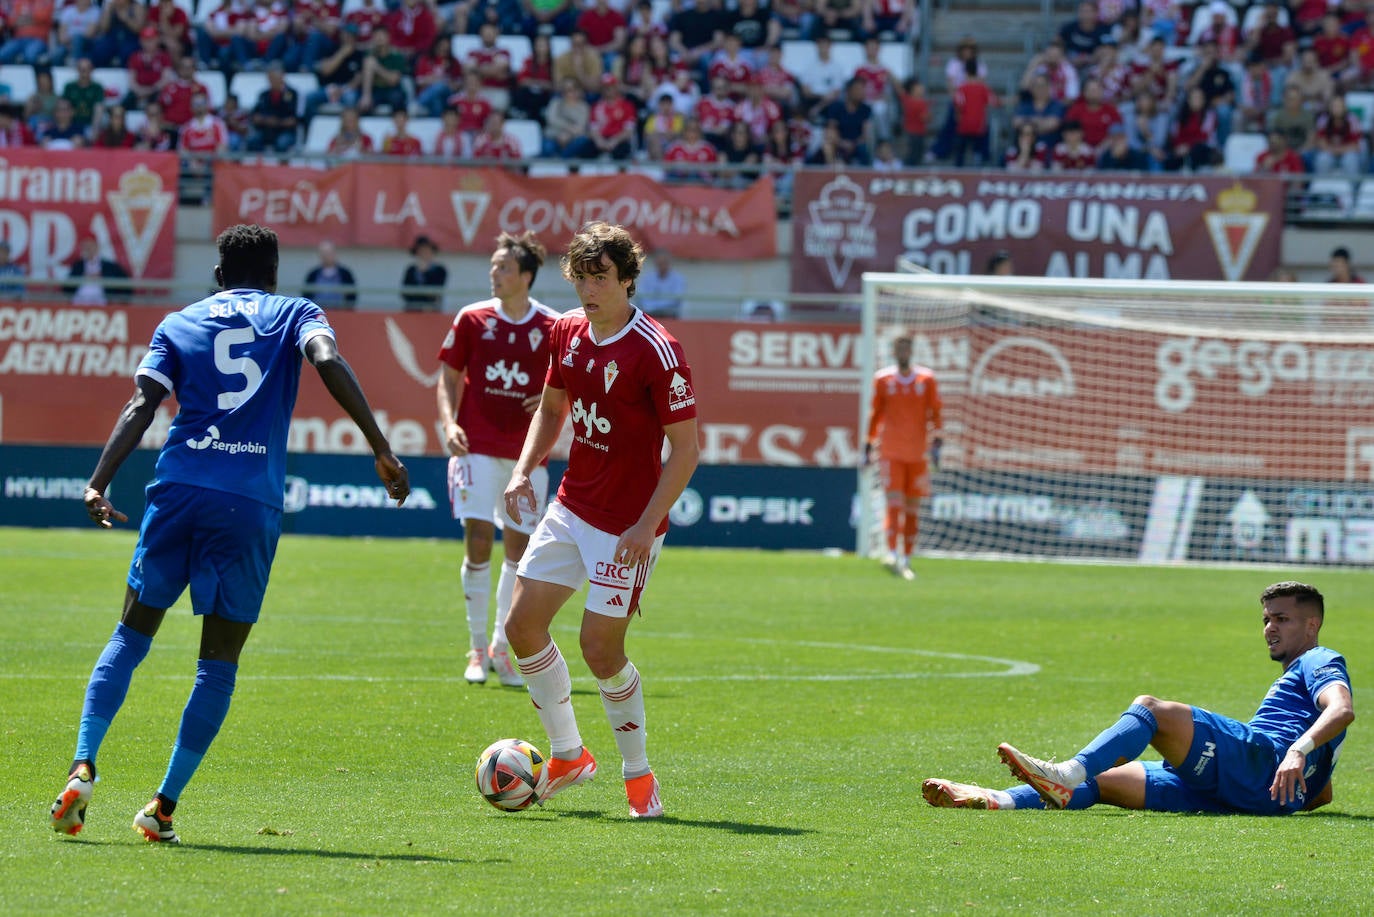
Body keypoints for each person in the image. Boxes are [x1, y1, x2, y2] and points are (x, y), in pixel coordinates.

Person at [47, 223, 410, 843]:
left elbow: (141, 405)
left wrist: (97, 482)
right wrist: (380, 448)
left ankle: (83, 763)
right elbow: (329, 360)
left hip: (179, 489)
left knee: (132, 633)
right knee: (217, 665)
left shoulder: (178, 322)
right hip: (247, 503)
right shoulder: (296, 311)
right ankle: (161, 808)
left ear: (218, 275)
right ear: (274, 275)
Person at [501, 221, 699, 819]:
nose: (590, 289)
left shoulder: (657, 350)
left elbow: (686, 450)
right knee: (521, 629)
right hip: (572, 505)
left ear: (628, 280)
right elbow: (554, 407)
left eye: (601, 277)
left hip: (626, 526)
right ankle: (568, 754)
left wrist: (645, 525)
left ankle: (638, 775)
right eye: (582, 277)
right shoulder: (565, 331)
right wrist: (521, 470)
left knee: (600, 650)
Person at [922, 581, 1354, 815]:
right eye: (1266, 619)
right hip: (1259, 793)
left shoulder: (1318, 658)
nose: (1269, 628)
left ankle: (1066, 771)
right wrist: (1300, 786)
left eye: (1282, 619)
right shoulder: (1299, 677)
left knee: (1150, 709)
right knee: (1107, 779)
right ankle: (997, 800)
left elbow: (1341, 709)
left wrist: (1296, 752)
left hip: (1260, 761)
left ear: (1312, 625)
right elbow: (1324, 795)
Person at [435, 231, 559, 688]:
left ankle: (501, 649)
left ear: (526, 276)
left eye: (504, 267)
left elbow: (567, 383)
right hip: (476, 445)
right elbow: (448, 376)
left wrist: (551, 403)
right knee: (479, 539)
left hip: (528, 454)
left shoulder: (552, 325)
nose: (495, 273)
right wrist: (449, 423)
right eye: (493, 266)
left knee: (519, 550)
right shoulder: (472, 318)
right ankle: (474, 647)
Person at [863, 332, 941, 580]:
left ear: (912, 351)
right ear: (893, 352)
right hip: (891, 452)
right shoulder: (883, 380)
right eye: (899, 348)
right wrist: (868, 443)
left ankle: (907, 555)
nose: (903, 353)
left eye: (906, 348)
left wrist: (937, 441)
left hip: (917, 453)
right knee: (894, 503)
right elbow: (875, 413)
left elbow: (935, 412)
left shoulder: (926, 379)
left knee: (912, 508)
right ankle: (892, 552)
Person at [66, 236, 130, 305]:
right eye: (85, 247)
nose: (88, 249)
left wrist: (102, 276)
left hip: (103, 302)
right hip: (80, 302)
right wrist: (83, 276)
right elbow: (67, 286)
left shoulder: (109, 266)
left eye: (90, 246)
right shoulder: (78, 266)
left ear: (97, 247)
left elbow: (125, 283)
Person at [303, 240, 358, 309]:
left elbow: (352, 295)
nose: (326, 256)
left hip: (340, 314)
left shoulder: (345, 274)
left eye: (328, 253)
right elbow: (306, 296)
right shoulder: (312, 275)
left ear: (335, 253)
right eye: (323, 253)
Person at [636, 250, 687, 319]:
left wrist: (658, 307)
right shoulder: (647, 278)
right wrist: (652, 307)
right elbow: (642, 295)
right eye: (660, 262)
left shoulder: (678, 279)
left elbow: (676, 298)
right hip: (650, 313)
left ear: (669, 262)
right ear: (655, 262)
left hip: (669, 314)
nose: (662, 264)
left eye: (664, 262)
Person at [402, 234, 447, 312]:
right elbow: (405, 293)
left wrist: (425, 273)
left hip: (432, 311)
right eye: (421, 251)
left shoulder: (440, 270)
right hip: (412, 311)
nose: (424, 254)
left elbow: (436, 291)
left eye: (427, 250)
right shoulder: (411, 270)